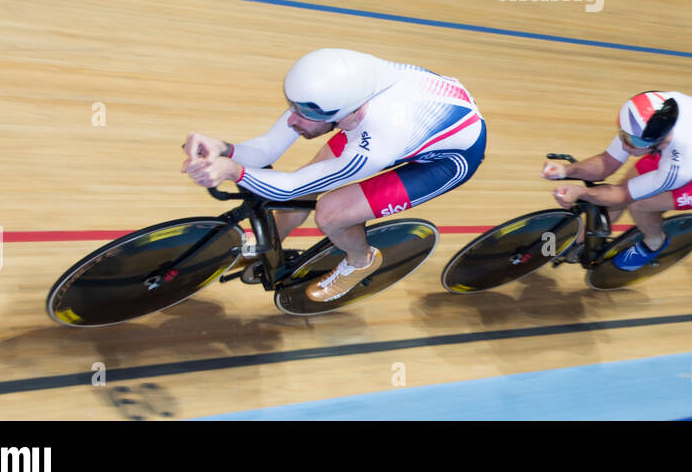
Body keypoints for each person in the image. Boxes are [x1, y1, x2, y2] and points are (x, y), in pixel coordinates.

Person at [181, 48, 485, 301]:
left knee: (331, 213)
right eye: (294, 107)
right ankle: (271, 242)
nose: (294, 120)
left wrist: (233, 171)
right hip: (405, 119)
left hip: (448, 158)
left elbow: (288, 188)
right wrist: (222, 148)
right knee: (309, 181)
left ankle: (360, 262)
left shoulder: (378, 140)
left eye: (306, 115)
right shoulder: (338, 92)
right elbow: (268, 150)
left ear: (347, 114)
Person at [543, 91, 692, 270]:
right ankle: (580, 243)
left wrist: (581, 193)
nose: (625, 145)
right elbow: (607, 164)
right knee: (622, 189)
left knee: (639, 204)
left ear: (658, 140)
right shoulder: (644, 118)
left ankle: (654, 242)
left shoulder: (680, 162)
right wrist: (565, 170)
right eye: (624, 136)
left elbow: (624, 195)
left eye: (633, 142)